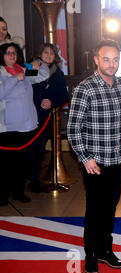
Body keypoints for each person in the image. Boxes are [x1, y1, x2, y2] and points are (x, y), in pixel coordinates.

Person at [67, 39, 121, 273]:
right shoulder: (85, 88)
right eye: (106, 59)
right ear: (95, 60)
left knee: (111, 207)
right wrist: (85, 158)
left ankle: (105, 250)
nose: (112, 64)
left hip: (118, 159)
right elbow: (73, 129)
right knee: (95, 209)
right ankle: (90, 254)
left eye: (115, 59)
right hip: (95, 162)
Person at [0, 42, 42, 206]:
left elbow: (42, 74)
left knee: (22, 162)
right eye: (8, 53)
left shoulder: (22, 69)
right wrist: (14, 79)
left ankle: (18, 192)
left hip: (26, 124)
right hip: (8, 126)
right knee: (5, 163)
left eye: (14, 53)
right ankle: (3, 195)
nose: (12, 55)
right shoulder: (2, 71)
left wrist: (34, 65)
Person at [28, 43, 68, 192]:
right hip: (30, 115)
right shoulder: (32, 68)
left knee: (39, 149)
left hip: (46, 118)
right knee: (29, 149)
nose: (48, 55)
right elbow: (25, 87)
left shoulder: (58, 73)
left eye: (51, 53)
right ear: (40, 53)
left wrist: (51, 101)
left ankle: (34, 179)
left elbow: (63, 95)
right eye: (46, 52)